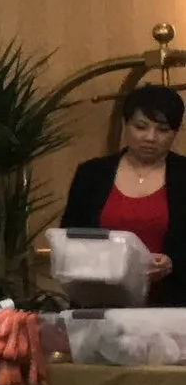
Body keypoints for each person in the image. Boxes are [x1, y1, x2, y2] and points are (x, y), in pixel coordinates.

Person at [60, 83, 186, 304]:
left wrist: (172, 263)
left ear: (175, 132)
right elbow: (70, 240)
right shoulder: (92, 174)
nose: (150, 137)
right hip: (101, 304)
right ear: (125, 125)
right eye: (141, 127)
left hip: (172, 307)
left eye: (163, 130)